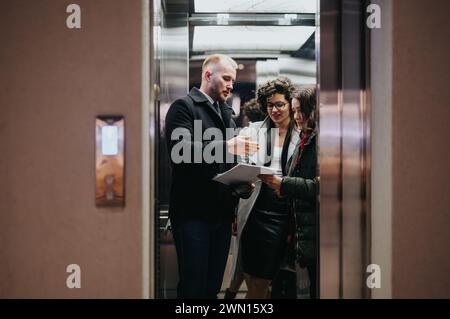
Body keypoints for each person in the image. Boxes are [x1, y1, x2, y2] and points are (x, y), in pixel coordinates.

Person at [165, 54, 257, 299]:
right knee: (194, 287)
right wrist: (228, 146)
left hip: (221, 213)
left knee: (213, 286)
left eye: (233, 81)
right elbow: (181, 152)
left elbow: (226, 163)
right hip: (192, 214)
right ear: (208, 75)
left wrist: (241, 182)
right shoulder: (183, 107)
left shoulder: (225, 112)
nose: (230, 85)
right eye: (226, 78)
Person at [232, 77, 299, 299]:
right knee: (256, 277)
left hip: (288, 210)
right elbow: (239, 165)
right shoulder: (252, 131)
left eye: (280, 104)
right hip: (257, 209)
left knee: (283, 277)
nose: (275, 110)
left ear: (290, 103)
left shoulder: (303, 133)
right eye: (270, 105)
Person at [259, 86, 318, 299]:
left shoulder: (320, 140)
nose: (298, 117)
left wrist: (282, 184)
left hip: (315, 227)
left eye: (302, 110)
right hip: (302, 227)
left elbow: (321, 186)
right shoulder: (305, 138)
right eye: (295, 111)